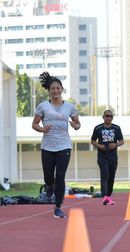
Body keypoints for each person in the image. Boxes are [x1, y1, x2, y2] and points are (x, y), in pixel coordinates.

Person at [31, 71, 81, 219]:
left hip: (64, 145)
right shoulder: (43, 106)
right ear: (49, 90)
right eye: (53, 88)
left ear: (62, 89)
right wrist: (42, 129)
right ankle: (49, 185)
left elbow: (78, 124)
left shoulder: (69, 107)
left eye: (58, 88)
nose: (55, 90)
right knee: (48, 176)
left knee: (60, 176)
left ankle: (58, 207)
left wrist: (75, 125)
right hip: (47, 146)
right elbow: (34, 124)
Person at [91, 110, 124, 205]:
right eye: (107, 116)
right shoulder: (98, 128)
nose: (109, 118)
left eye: (110, 116)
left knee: (111, 176)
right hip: (102, 155)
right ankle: (104, 196)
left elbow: (122, 141)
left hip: (113, 156)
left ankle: (109, 196)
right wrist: (99, 146)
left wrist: (116, 144)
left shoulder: (117, 128)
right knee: (104, 174)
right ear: (103, 117)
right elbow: (92, 141)